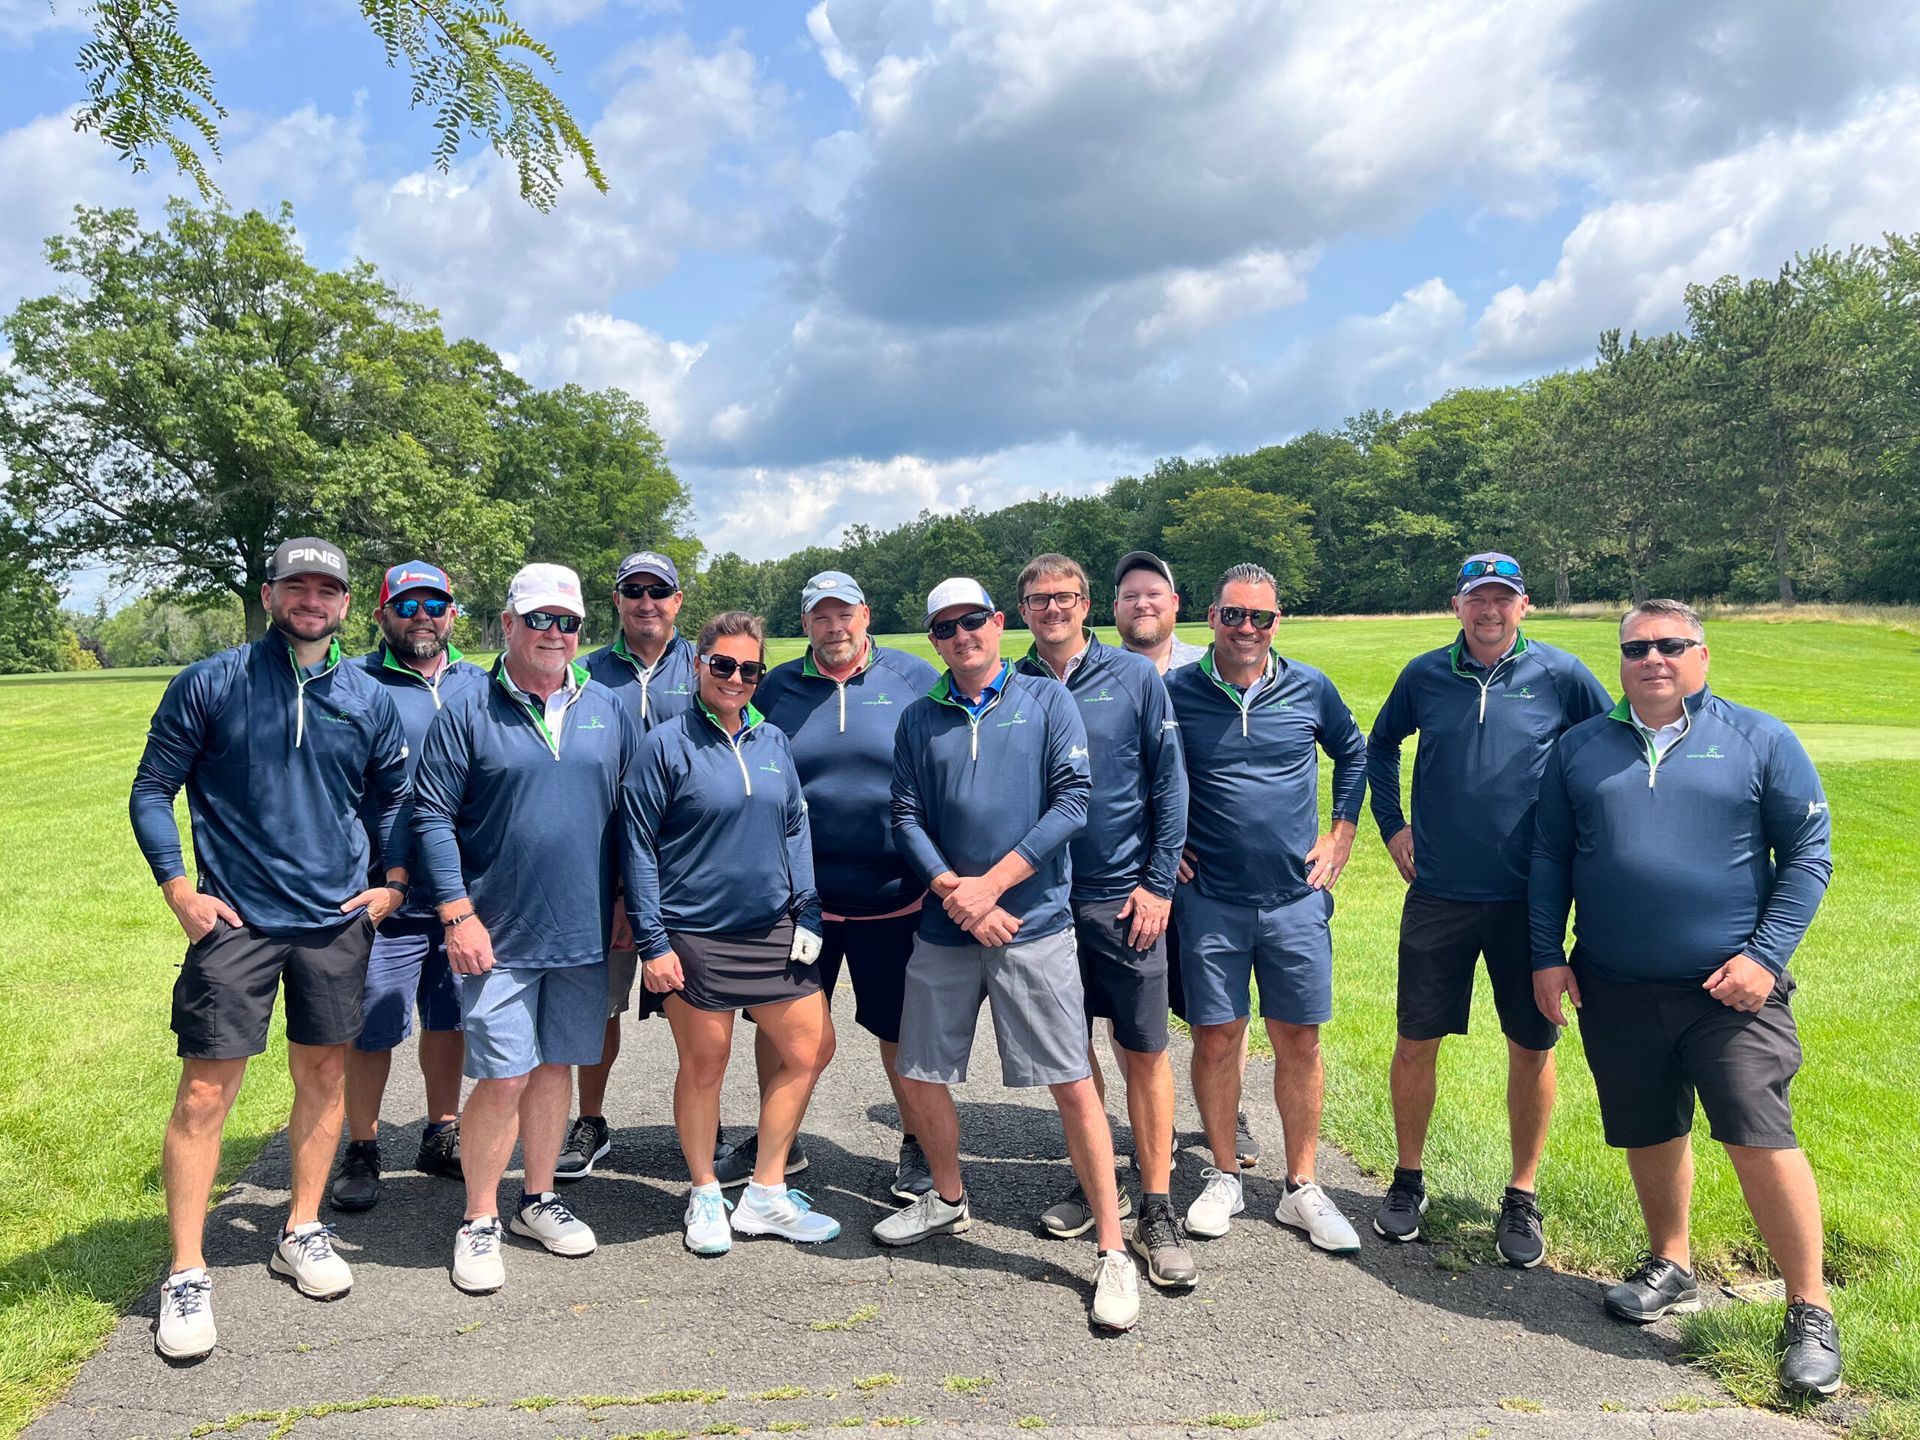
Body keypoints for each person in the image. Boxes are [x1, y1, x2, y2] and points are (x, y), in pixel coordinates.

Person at [1531, 599, 1841, 1396]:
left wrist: (1766, 958)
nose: (1653, 659)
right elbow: (1551, 859)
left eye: (1671, 645)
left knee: (1755, 1128)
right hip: (1615, 979)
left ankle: (1809, 1307)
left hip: (1730, 990)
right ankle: (1672, 1262)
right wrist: (1546, 956)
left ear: (1702, 654)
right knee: (1647, 1125)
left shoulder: (1758, 739)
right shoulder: (1581, 749)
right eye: (1636, 648)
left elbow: (1808, 853)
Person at [130, 537, 411, 1359]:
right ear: (270, 593)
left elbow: (392, 795)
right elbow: (153, 787)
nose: (312, 599)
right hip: (236, 924)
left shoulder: (366, 694)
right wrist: (178, 889)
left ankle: (302, 1228)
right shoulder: (212, 681)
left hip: (333, 922)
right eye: (298, 585)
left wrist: (391, 884)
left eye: (328, 588)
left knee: (323, 1075)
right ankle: (186, 1271)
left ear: (348, 604)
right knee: (204, 1098)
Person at [875, 578, 1139, 1333]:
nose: (963, 636)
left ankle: (1113, 1251)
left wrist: (991, 887)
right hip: (948, 921)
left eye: (973, 622)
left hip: (1034, 922)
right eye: (946, 628)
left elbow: (1072, 803)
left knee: (1069, 1079)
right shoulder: (920, 717)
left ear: (997, 623)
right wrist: (952, 887)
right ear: (935, 640)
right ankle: (948, 1200)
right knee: (920, 1069)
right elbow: (906, 812)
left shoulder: (1045, 699)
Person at [1363, 552, 1610, 1263]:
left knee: (1532, 1046)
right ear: (1458, 604)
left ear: (1523, 606)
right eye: (1478, 599)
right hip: (1438, 891)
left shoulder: (1560, 675)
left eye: (1503, 599)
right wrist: (1392, 823)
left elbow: (1610, 744)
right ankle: (1409, 1180)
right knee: (1416, 1040)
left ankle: (1522, 1195)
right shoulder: (1425, 674)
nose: (1490, 611)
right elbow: (1380, 747)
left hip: (1527, 896)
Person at [411, 563, 641, 1295]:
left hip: (583, 931)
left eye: (567, 622)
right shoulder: (469, 708)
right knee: (505, 1073)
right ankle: (480, 1217)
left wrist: (630, 905)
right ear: (507, 624)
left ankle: (538, 1199)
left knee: (553, 1069)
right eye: (539, 619)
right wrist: (455, 911)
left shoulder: (608, 708)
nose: (554, 634)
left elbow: (633, 819)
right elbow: (430, 816)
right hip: (496, 933)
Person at [1166, 563, 1366, 1254]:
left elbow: (1354, 752)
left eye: (1261, 617)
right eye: (1233, 615)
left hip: (1295, 899)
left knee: (1300, 1039)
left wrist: (1340, 834)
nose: (1246, 629)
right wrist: (1167, 848)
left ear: (1278, 622)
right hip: (1211, 899)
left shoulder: (1310, 686)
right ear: (1210, 618)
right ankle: (1224, 1173)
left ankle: (1302, 1186)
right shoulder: (1176, 692)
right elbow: (1138, 772)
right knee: (1217, 1037)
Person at [626, 611, 839, 1254]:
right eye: (723, 665)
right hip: (694, 932)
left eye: (750, 669)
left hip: (771, 926)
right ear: (699, 664)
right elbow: (636, 847)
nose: (736, 678)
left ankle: (767, 1192)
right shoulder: (665, 744)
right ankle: (704, 1193)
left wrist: (808, 911)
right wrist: (653, 943)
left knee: (812, 1050)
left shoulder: (772, 740)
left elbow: (795, 827)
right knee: (705, 1064)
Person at [1013, 554, 1195, 1290]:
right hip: (1042, 899)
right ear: (1020, 610)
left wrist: (1158, 884)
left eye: (1063, 597)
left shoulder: (1135, 678)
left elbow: (1169, 782)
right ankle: (1096, 1182)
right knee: (1069, 1053)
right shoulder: (1011, 684)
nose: (1051, 609)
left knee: (1143, 1048)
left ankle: (1156, 1202)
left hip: (1122, 897)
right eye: (1037, 599)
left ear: (1086, 604)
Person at [755, 572, 942, 1201]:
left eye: (844, 615)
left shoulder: (914, 677)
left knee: (899, 1029)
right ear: (805, 623)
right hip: (800, 898)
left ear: (866, 614)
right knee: (780, 1026)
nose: (834, 628)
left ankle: (917, 1144)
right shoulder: (776, 686)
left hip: (894, 896)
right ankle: (778, 1139)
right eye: (820, 617)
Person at [330, 561, 489, 1213]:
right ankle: (363, 1146)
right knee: (371, 1025)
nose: (422, 615)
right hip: (382, 894)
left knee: (449, 1018)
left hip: (464, 894)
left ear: (453, 614)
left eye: (435, 604)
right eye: (407, 604)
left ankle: (440, 1132)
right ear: (380, 614)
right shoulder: (352, 684)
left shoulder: (481, 683)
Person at [1112, 551, 1259, 1173]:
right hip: (1134, 870)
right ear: (1114, 608)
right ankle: (1155, 1122)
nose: (1143, 604)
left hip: (1206, 872)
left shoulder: (1213, 666)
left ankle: (1230, 1110)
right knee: (1133, 1009)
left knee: (1216, 1004)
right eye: (1130, 595)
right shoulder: (1104, 675)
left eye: (1154, 594)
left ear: (1176, 605)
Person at [563, 551, 699, 1182]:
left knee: (698, 1009)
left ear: (677, 600)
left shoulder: (709, 666)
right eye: (633, 591)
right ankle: (590, 1120)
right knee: (598, 1008)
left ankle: (705, 1123)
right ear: (615, 600)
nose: (646, 602)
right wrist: (619, 889)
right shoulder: (583, 673)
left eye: (658, 591)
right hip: (602, 873)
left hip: (691, 871)